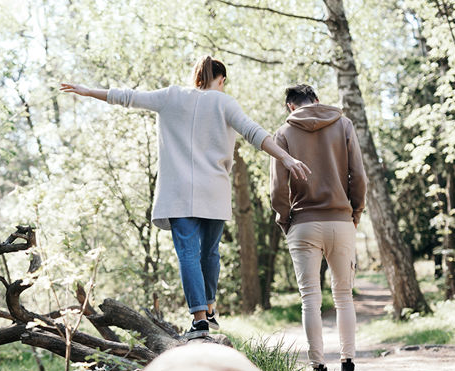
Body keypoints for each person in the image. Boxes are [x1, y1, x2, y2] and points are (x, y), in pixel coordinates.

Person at [61, 56, 311, 339]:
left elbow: (127, 97)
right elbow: (255, 133)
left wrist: (88, 91)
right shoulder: (225, 102)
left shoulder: (171, 96)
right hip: (214, 192)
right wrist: (286, 158)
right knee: (210, 252)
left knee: (189, 255)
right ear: (221, 80)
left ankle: (200, 319)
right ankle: (210, 308)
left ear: (197, 76)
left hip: (178, 194)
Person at [270, 84, 368, 371]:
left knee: (310, 299)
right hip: (341, 221)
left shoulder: (284, 133)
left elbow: (277, 188)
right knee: (344, 296)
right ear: (317, 100)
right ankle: (348, 368)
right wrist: (355, 213)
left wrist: (285, 220)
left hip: (303, 224)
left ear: (291, 106)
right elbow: (359, 176)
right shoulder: (344, 124)